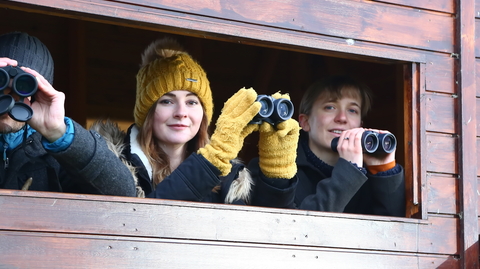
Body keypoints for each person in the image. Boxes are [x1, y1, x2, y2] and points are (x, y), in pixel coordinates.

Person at [99, 37, 299, 204]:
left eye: (192, 102)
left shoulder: (231, 177)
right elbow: (142, 221)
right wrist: (212, 160)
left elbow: (266, 235)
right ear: (147, 112)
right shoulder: (113, 164)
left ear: (204, 114)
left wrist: (277, 173)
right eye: (167, 101)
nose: (181, 112)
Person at [0, 31, 136, 196]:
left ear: (39, 93)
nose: (10, 99)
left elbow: (123, 193)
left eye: (23, 87)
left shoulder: (53, 158)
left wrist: (59, 132)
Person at [250, 75, 405, 217]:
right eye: (330, 107)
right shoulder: (274, 169)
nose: (342, 118)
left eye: (352, 110)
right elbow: (294, 230)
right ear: (305, 122)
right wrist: (350, 171)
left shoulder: (366, 176)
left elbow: (398, 235)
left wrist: (382, 171)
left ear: (360, 125)